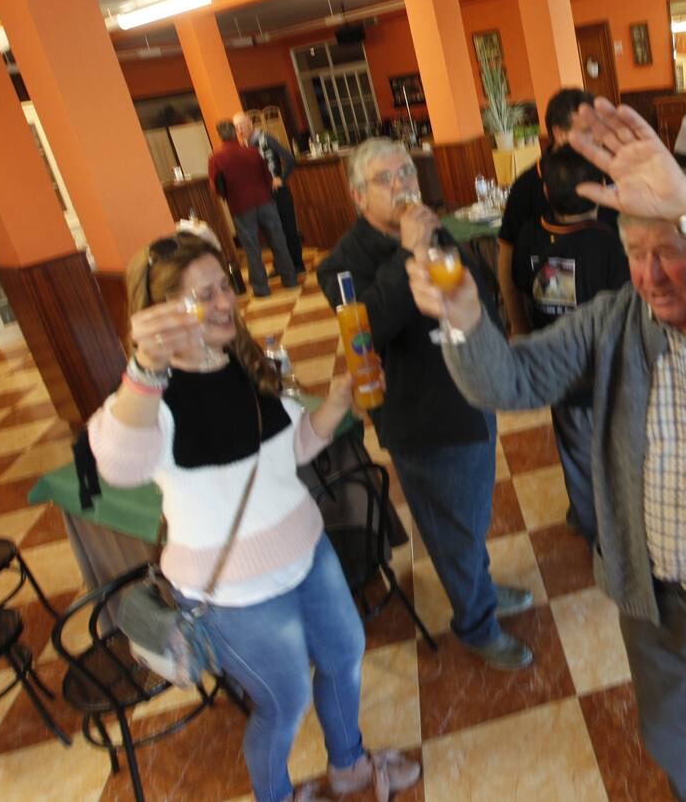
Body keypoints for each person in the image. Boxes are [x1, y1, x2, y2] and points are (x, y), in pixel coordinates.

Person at [405, 99, 686, 801]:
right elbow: (513, 381)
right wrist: (466, 319)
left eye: (671, 251)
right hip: (655, 595)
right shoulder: (613, 322)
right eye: (637, 255)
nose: (651, 276)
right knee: (673, 735)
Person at [87, 232, 419, 802]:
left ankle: (348, 765)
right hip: (232, 592)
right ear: (161, 314)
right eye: (203, 296)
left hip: (309, 554)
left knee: (345, 656)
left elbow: (287, 454)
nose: (224, 304)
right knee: (283, 705)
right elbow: (118, 465)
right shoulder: (150, 399)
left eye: (225, 287)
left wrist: (336, 402)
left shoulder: (243, 361)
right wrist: (145, 367)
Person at [316, 137, 534, 671]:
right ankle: (476, 623)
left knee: (472, 516)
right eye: (386, 180)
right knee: (449, 528)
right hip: (421, 418)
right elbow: (366, 328)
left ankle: (477, 584)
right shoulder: (341, 266)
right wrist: (413, 252)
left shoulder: (436, 231)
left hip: (470, 396)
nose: (403, 187)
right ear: (357, 196)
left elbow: (475, 294)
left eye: (407, 174)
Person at [510, 145, 631, 542]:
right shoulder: (608, 243)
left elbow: (519, 286)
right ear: (599, 189)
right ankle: (615, 531)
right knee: (616, 450)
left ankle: (586, 518)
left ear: (546, 193)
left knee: (575, 450)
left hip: (555, 366)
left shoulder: (530, 234)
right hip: (605, 368)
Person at [497, 88, 615, 335]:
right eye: (587, 132)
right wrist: (518, 325)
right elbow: (507, 260)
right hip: (551, 335)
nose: (598, 139)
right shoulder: (528, 186)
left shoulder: (610, 172)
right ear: (559, 134)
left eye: (599, 131)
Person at [207, 120, 298, 296]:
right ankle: (290, 279)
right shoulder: (252, 152)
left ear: (219, 136)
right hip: (265, 201)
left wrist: (226, 195)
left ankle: (261, 288)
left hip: (241, 206)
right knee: (278, 240)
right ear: (235, 132)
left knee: (252, 247)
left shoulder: (215, 158)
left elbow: (216, 186)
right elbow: (267, 176)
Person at [233, 111, 304, 276]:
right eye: (236, 128)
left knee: (288, 229)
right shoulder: (245, 146)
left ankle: (298, 265)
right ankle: (282, 265)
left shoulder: (266, 138)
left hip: (279, 192)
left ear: (250, 123)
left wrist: (281, 178)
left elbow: (290, 159)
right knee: (273, 232)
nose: (240, 130)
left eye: (241, 125)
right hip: (263, 196)